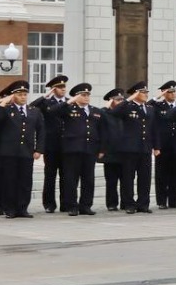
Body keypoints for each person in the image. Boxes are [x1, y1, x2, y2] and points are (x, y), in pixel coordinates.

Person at [109, 81, 157, 213]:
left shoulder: (150, 109)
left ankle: (143, 204)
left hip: (145, 148)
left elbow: (154, 129)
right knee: (128, 178)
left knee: (145, 178)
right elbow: (114, 112)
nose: (146, 94)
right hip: (129, 148)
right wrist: (128, 99)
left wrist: (156, 146)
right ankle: (129, 204)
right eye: (143, 92)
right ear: (136, 93)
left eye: (147, 92)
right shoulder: (127, 107)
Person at [0, 81, 43, 217]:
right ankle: (10, 209)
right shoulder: (6, 110)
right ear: (13, 96)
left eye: (25, 94)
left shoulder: (34, 111)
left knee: (25, 181)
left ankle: (22, 208)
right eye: (19, 94)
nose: (23, 97)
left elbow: (41, 131)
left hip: (26, 151)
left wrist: (39, 149)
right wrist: (2, 104)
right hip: (8, 152)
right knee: (9, 181)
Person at [59, 82, 104, 216]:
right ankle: (72, 206)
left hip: (90, 149)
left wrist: (102, 149)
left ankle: (86, 206)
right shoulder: (68, 109)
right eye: (83, 95)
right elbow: (54, 111)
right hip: (72, 149)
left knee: (88, 179)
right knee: (71, 179)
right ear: (76, 97)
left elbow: (102, 131)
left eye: (88, 95)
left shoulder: (95, 111)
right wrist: (70, 101)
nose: (86, 97)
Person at [38, 74, 69, 212]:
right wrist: (46, 96)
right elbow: (32, 106)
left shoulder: (70, 101)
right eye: (59, 87)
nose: (63, 89)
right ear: (53, 89)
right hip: (51, 145)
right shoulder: (46, 103)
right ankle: (49, 204)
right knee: (50, 176)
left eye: (64, 87)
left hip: (67, 145)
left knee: (66, 176)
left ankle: (65, 204)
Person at [152, 80, 176, 209]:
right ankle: (162, 201)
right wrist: (157, 97)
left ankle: (173, 201)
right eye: (169, 92)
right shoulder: (158, 106)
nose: (173, 94)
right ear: (164, 93)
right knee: (162, 175)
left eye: (174, 91)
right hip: (163, 145)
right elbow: (148, 105)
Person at [96, 88, 124, 211]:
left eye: (122, 99)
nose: (120, 102)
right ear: (111, 101)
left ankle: (126, 202)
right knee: (111, 181)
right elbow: (96, 118)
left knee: (126, 180)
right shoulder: (104, 113)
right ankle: (112, 203)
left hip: (124, 151)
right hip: (110, 152)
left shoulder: (124, 113)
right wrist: (106, 109)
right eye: (117, 100)